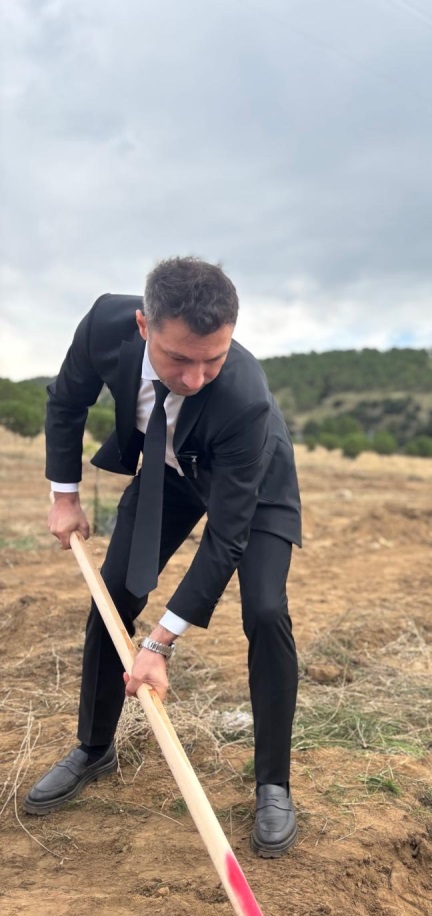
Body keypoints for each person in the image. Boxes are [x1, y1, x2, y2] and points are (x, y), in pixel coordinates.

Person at [23, 257, 302, 858]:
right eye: (179, 359)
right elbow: (66, 402)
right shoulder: (104, 324)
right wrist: (65, 497)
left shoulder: (244, 398)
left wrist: (159, 644)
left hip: (251, 486)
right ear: (143, 325)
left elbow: (226, 538)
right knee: (113, 595)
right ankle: (94, 747)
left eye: (213, 359)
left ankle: (273, 785)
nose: (196, 378)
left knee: (265, 610)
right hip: (171, 473)